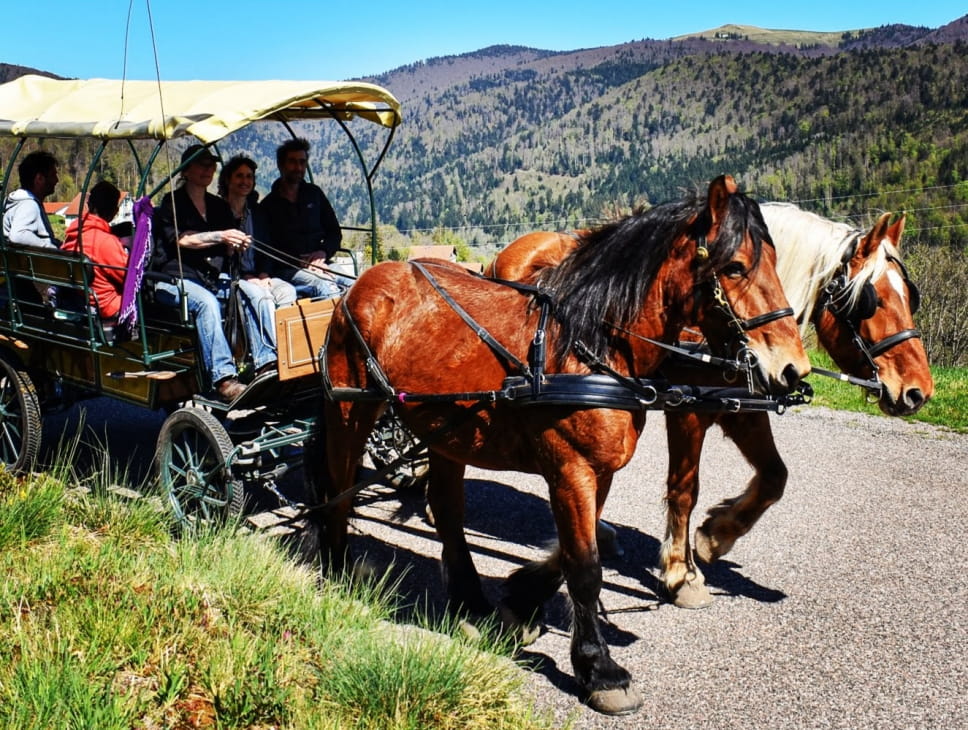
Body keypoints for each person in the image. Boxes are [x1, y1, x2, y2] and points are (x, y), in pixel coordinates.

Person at [153, 145, 277, 402]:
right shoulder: (172, 203)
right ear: (185, 170)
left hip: (209, 279)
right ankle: (223, 378)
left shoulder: (217, 206)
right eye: (201, 164)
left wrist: (235, 245)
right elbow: (183, 240)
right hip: (174, 279)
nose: (207, 170)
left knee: (252, 292)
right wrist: (221, 236)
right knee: (207, 303)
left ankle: (266, 365)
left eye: (211, 165)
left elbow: (228, 246)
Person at [258, 138, 344, 299]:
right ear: (281, 165)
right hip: (287, 269)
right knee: (325, 287)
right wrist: (301, 262)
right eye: (292, 162)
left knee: (355, 284)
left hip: (320, 262)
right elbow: (266, 248)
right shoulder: (268, 205)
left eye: (302, 162)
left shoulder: (314, 195)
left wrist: (322, 253)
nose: (298, 167)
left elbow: (334, 232)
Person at [217, 155, 296, 308]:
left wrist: (264, 275)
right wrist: (246, 277)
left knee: (287, 291)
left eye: (249, 177)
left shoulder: (257, 213)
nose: (245, 181)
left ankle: (279, 331)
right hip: (233, 276)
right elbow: (219, 256)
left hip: (258, 275)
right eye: (239, 176)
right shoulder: (219, 212)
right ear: (228, 180)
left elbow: (266, 247)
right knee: (262, 297)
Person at [60, 181, 128, 319]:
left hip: (79, 299)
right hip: (105, 306)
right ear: (114, 212)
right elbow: (128, 278)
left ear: (89, 205)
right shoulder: (105, 241)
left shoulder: (72, 235)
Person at [2, 150, 61, 248]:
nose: (56, 180)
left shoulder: (12, 202)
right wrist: (50, 247)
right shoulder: (29, 204)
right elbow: (18, 235)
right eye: (52, 175)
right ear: (39, 179)